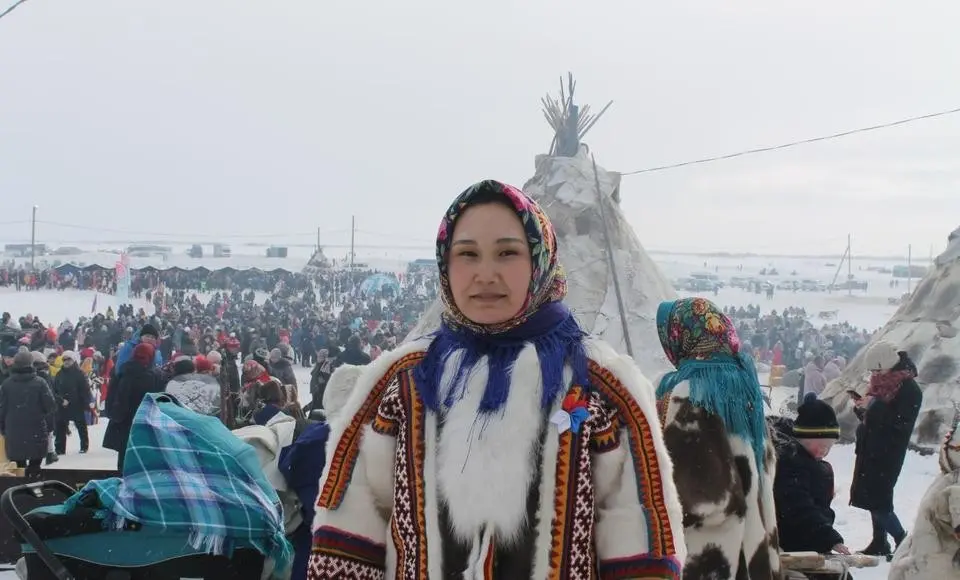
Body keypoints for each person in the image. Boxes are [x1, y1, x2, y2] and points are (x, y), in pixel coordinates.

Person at [308, 180, 685, 578]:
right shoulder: (401, 382)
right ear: (445, 263)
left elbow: (642, 536)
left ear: (540, 259)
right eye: (467, 254)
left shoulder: (602, 387)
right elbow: (350, 523)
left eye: (507, 253)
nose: (485, 274)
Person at [654, 297, 781, 579]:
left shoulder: (688, 394)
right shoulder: (747, 391)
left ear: (681, 336)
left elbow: (693, 491)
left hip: (708, 558)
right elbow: (766, 466)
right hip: (755, 553)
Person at [849, 340, 922, 556]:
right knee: (874, 498)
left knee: (879, 500)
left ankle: (902, 541)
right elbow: (874, 418)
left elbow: (899, 422)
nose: (875, 374)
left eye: (878, 369)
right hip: (870, 448)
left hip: (888, 451)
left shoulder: (909, 389)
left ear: (889, 364)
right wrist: (862, 409)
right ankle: (879, 541)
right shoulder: (881, 383)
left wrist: (871, 407)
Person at [773, 394, 850, 579]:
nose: (824, 451)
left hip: (809, 538)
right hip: (796, 542)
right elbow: (798, 507)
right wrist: (827, 535)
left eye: (829, 447)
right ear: (803, 438)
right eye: (821, 445)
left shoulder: (804, 461)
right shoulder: (791, 464)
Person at [102, 342, 165, 471]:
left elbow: (112, 398)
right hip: (147, 424)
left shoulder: (123, 372)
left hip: (124, 425)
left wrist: (114, 415)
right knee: (144, 462)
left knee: (124, 461)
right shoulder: (156, 376)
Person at [0, 349, 56, 479]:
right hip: (36, 429)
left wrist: (3, 428)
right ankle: (34, 488)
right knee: (35, 465)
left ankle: (20, 490)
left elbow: (1, 409)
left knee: (19, 467)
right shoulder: (40, 382)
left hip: (13, 430)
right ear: (31, 364)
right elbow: (51, 406)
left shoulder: (6, 385)